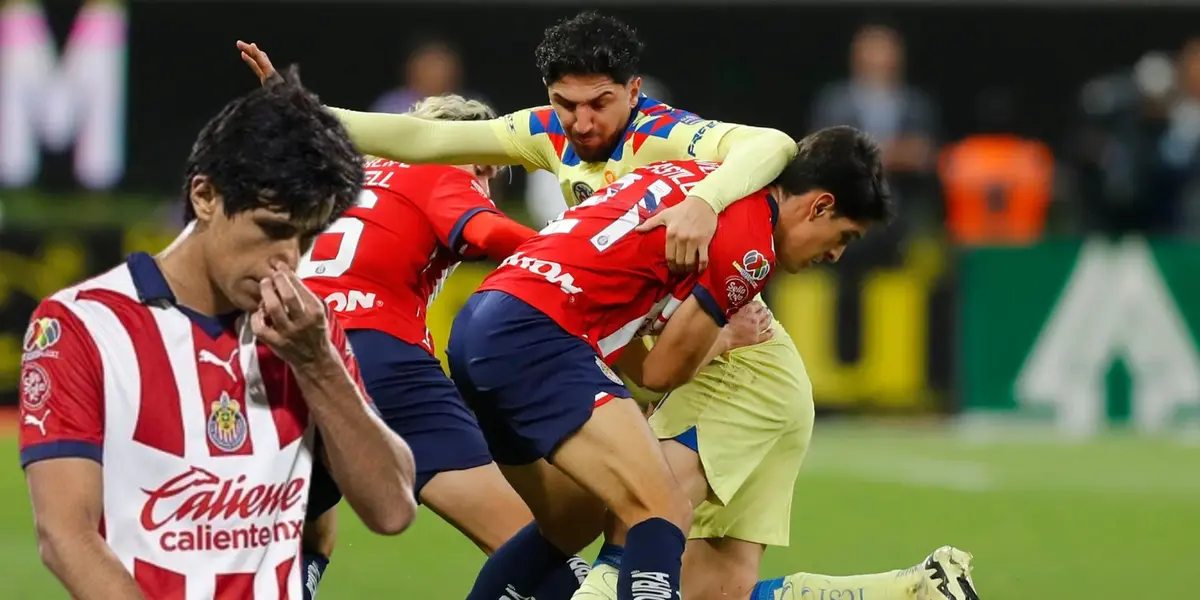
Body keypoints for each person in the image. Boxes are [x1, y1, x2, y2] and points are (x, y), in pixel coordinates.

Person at [236, 12, 976, 600]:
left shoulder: (669, 134)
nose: (583, 123)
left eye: (600, 103)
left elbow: (773, 147)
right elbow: (424, 135)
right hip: (644, 345)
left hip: (728, 361)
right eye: (567, 104)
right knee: (702, 583)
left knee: (628, 529)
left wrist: (703, 206)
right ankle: (910, 591)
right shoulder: (548, 132)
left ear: (634, 89)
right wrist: (304, 111)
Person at [17, 68, 417, 600]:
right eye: (272, 230)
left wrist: (318, 360)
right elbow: (65, 537)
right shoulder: (79, 327)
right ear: (205, 196)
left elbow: (391, 509)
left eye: (307, 237)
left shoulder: (306, 331)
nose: (288, 261)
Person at [448, 134, 888, 600]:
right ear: (819, 206)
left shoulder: (695, 173)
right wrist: (724, 340)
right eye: (844, 236)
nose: (837, 254)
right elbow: (660, 374)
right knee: (660, 509)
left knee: (569, 521)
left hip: (482, 322)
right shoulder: (751, 241)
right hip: (537, 333)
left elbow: (627, 346)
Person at [297, 94, 593, 599]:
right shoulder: (436, 168)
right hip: (373, 353)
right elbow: (488, 230)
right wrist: (584, 268)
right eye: (487, 171)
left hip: (281, 350)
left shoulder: (342, 179)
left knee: (303, 533)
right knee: (535, 537)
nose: (487, 187)